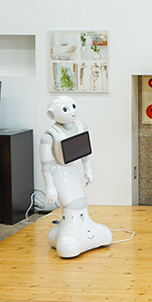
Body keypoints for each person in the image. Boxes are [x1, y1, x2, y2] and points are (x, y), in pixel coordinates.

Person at [41, 96, 112, 258]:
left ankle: (83, 226)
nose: (72, 112)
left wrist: (88, 169)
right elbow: (45, 163)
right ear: (51, 114)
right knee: (72, 204)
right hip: (57, 171)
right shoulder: (50, 136)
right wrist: (49, 186)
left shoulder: (80, 126)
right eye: (65, 109)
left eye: (73, 107)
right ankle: (69, 229)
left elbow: (84, 152)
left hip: (71, 169)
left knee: (81, 202)